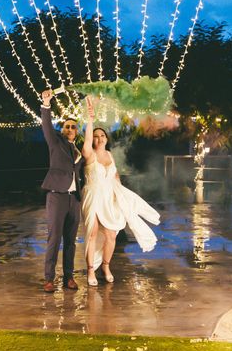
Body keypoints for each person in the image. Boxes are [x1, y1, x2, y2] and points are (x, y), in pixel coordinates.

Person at [81, 97, 160, 286]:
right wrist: (90, 118)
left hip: (109, 198)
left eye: (102, 136)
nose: (99, 139)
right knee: (92, 234)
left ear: (107, 139)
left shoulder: (109, 155)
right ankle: (90, 271)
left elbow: (115, 177)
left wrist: (121, 195)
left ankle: (106, 266)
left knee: (111, 235)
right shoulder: (89, 154)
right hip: (93, 197)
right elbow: (88, 141)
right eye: (96, 136)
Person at [39, 89, 84, 293]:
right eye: (66, 126)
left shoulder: (78, 151)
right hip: (56, 196)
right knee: (54, 238)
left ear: (77, 130)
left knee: (71, 242)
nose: (70, 129)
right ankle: (49, 279)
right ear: (63, 129)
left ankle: (69, 278)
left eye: (73, 126)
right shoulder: (55, 143)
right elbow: (46, 126)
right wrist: (46, 104)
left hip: (74, 200)